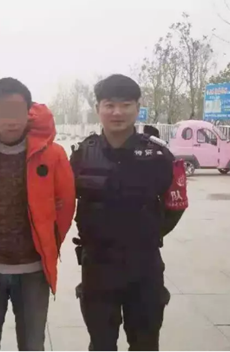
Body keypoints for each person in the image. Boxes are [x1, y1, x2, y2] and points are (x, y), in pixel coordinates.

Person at [0, 77, 76, 351]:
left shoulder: (53, 155)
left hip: (33, 270)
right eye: (3, 113)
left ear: (28, 112)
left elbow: (65, 205)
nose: (11, 121)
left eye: (18, 112)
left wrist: (48, 241)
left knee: (33, 344)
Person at [71, 74, 188, 351]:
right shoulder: (81, 155)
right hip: (97, 266)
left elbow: (175, 205)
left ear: (137, 108)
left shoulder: (158, 155)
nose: (117, 112)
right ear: (98, 108)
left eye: (125, 105)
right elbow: (62, 201)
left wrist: (148, 232)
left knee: (145, 343)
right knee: (101, 343)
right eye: (109, 105)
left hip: (143, 266)